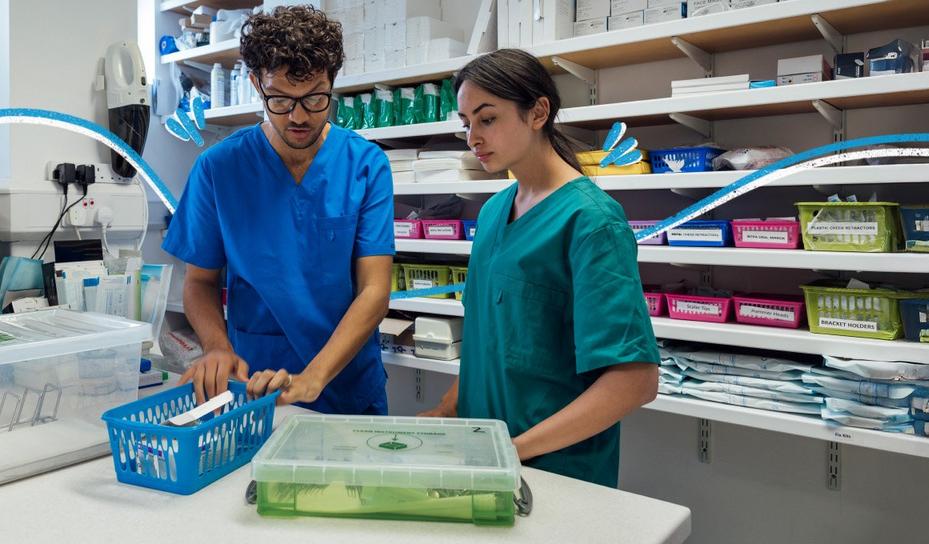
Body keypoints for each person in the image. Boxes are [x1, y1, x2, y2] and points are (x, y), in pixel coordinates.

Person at [420, 49, 659, 488]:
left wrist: (513, 450)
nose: (473, 136)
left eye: (487, 118)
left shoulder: (591, 221)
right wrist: (447, 409)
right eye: (465, 123)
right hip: (483, 460)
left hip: (556, 472)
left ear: (538, 112)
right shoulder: (494, 211)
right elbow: (493, 342)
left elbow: (635, 381)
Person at [163, 5, 395, 414]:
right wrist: (216, 347)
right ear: (256, 84)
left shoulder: (365, 164)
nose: (300, 116)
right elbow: (199, 282)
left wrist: (314, 377)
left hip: (346, 383)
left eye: (315, 98)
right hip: (256, 384)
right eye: (282, 100)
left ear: (333, 82)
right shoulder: (219, 169)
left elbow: (374, 291)